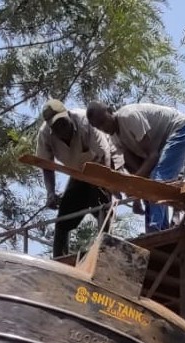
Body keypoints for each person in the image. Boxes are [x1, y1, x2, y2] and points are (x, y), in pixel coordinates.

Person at [85, 102, 185, 233]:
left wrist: (130, 185)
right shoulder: (115, 139)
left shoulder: (128, 116)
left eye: (103, 121)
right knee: (152, 183)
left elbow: (153, 156)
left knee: (158, 179)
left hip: (183, 130)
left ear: (110, 111)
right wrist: (137, 195)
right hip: (167, 144)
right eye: (98, 127)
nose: (103, 128)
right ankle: (162, 230)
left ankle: (154, 229)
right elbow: (138, 172)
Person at [34, 99, 124, 258]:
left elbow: (104, 155)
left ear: (68, 115)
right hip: (78, 172)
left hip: (102, 165)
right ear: (50, 127)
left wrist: (107, 184)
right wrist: (50, 193)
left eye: (63, 123)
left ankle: (105, 252)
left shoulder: (84, 122)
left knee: (102, 207)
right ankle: (59, 259)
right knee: (63, 218)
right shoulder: (45, 135)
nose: (62, 129)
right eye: (56, 127)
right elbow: (46, 166)